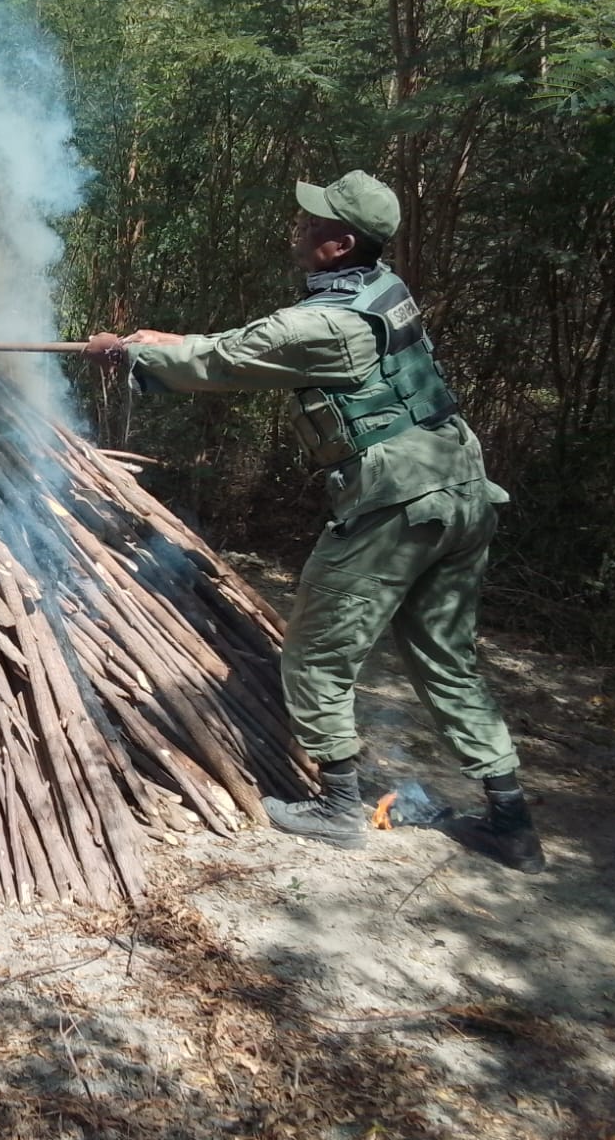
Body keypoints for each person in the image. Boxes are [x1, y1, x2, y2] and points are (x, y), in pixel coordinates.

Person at [85, 170, 544, 873]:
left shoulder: (324, 323)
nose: (298, 229)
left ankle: (336, 807)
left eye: (313, 223)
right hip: (462, 488)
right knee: (447, 658)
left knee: (317, 650)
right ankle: (510, 819)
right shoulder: (378, 291)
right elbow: (247, 345)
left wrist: (127, 351)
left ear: (338, 244)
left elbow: (229, 358)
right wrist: (164, 339)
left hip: (399, 502)